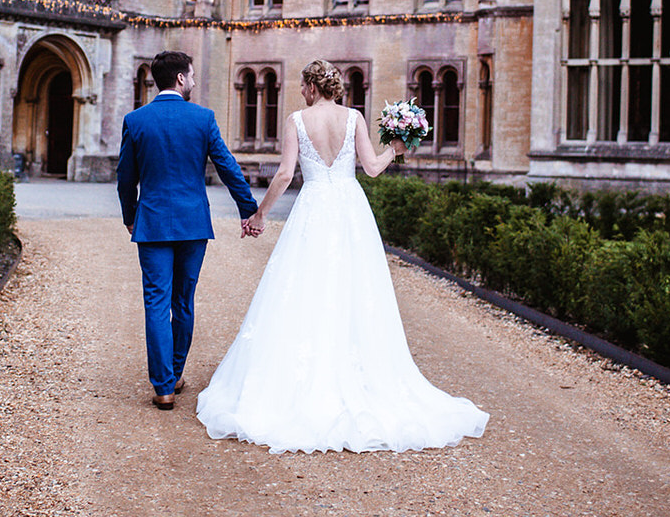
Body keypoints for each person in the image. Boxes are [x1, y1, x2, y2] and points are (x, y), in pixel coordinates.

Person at [195, 59, 489, 453]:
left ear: (313, 87)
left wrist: (259, 214)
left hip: (314, 207)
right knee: (354, 286)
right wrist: (396, 150)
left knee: (304, 288)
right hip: (350, 209)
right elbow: (370, 168)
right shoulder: (354, 119)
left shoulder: (297, 120)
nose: (300, 92)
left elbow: (284, 175)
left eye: (302, 86)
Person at [117, 50, 260, 411]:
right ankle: (175, 372)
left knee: (155, 302)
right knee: (183, 301)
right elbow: (227, 166)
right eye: (192, 76)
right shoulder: (202, 119)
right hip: (193, 223)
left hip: (151, 224)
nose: (194, 81)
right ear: (180, 79)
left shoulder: (136, 120)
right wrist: (248, 209)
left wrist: (130, 215)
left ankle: (164, 386)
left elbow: (125, 179)